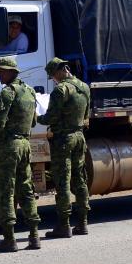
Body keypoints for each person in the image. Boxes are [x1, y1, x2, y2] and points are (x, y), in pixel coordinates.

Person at [0, 56, 41, 252]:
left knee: (5, 191)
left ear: (12, 72)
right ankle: (34, 236)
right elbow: (34, 122)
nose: (0, 75)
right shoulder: (29, 92)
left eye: (2, 72)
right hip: (24, 145)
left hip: (8, 147)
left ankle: (9, 239)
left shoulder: (7, 94)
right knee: (26, 189)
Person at [38, 57, 91, 238]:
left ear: (60, 71)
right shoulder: (84, 87)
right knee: (80, 180)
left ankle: (64, 225)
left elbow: (50, 117)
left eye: (53, 75)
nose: (53, 79)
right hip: (79, 138)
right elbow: (86, 116)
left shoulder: (60, 90)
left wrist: (37, 117)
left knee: (62, 182)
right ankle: (83, 223)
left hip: (63, 141)